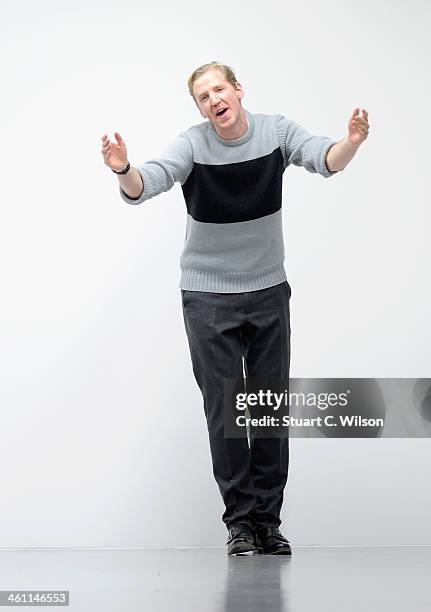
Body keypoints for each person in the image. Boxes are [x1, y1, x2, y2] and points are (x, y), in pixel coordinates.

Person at [101, 61, 369, 556]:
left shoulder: (275, 131)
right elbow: (149, 183)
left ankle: (268, 522)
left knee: (267, 410)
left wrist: (351, 140)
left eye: (218, 89)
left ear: (238, 90)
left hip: (268, 289)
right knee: (226, 412)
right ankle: (240, 524)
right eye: (203, 97)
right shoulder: (192, 144)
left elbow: (323, 159)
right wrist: (123, 169)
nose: (213, 101)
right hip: (206, 297)